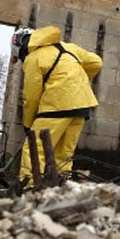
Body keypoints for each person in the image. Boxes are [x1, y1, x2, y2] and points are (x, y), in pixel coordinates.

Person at [13, 25, 102, 181]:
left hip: (56, 107)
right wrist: (78, 82)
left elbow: (31, 97)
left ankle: (29, 187)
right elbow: (96, 63)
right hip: (82, 106)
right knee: (64, 154)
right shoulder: (69, 47)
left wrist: (28, 125)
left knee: (34, 148)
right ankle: (61, 187)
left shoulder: (33, 58)